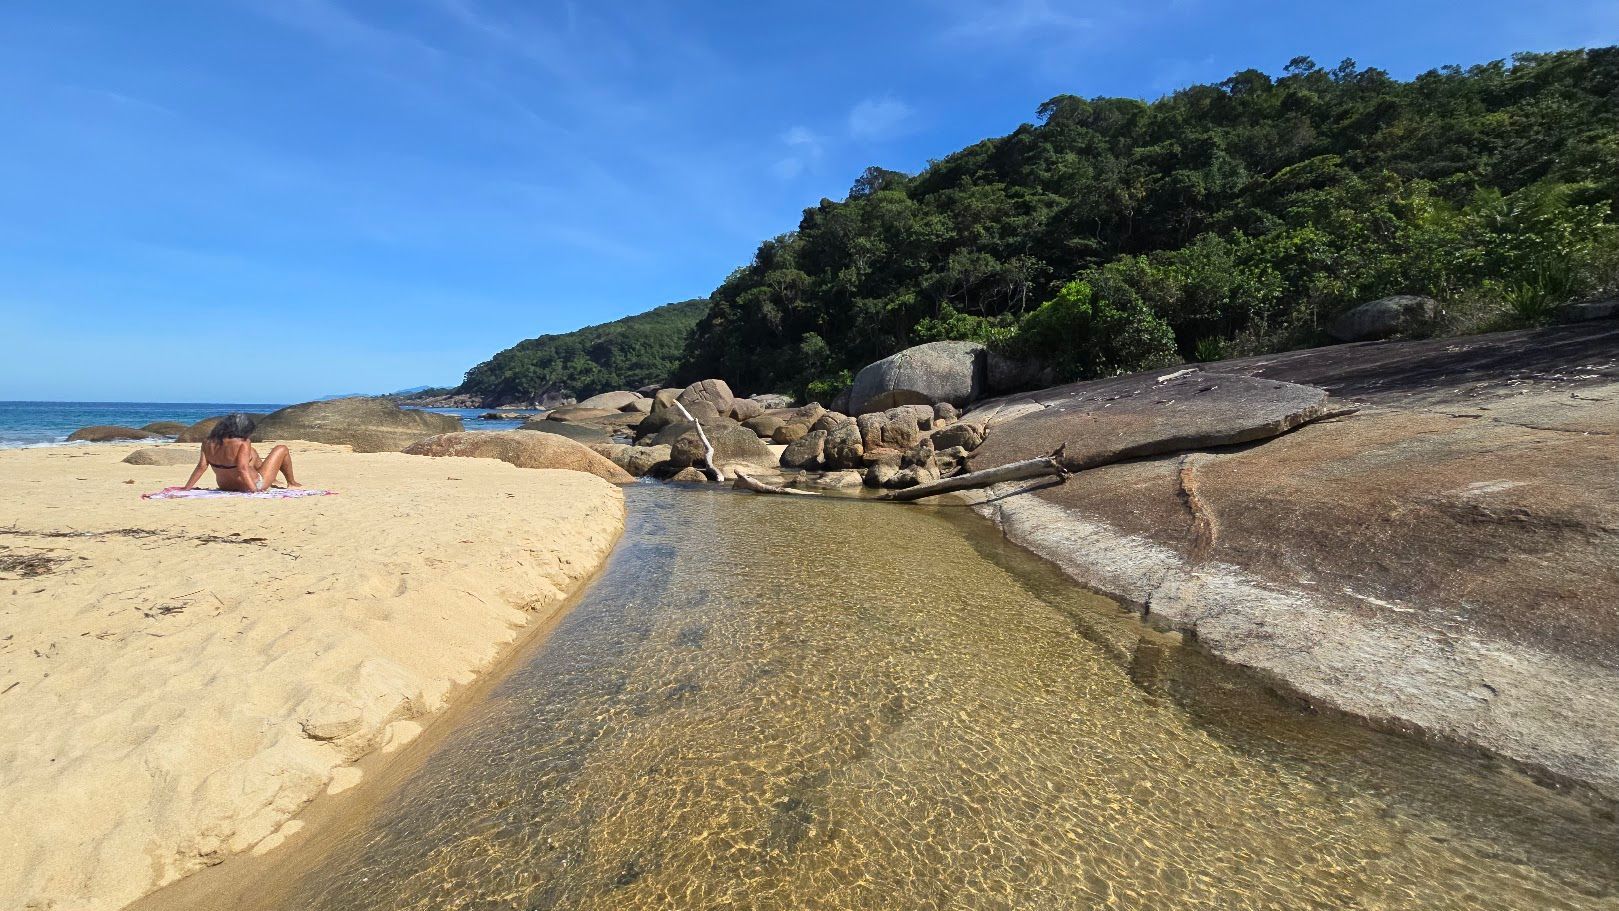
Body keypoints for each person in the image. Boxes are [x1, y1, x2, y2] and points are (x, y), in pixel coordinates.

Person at [180, 413, 301, 492]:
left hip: (225, 486)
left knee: (252, 453)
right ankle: (292, 483)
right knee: (281, 448)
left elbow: (201, 467)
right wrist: (254, 491)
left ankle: (273, 480)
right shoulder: (243, 442)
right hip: (249, 485)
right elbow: (242, 469)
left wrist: (187, 488)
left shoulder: (207, 442)